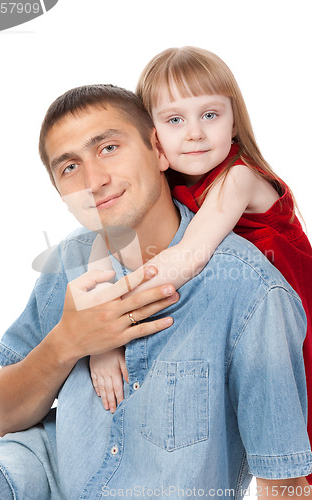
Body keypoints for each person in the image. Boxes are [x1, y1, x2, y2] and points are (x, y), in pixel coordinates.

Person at [0, 84, 312, 500]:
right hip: (43, 473)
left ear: (158, 151)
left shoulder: (249, 291)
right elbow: (3, 416)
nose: (94, 181)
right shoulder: (71, 259)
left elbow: (285, 481)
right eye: (69, 168)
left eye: (108, 148)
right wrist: (68, 342)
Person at [89, 48, 312, 472]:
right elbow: (103, 241)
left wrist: (106, 331)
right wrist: (95, 338)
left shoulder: (238, 176)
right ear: (152, 134)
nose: (194, 133)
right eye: (175, 120)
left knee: (294, 433)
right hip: (232, 324)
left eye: (210, 115)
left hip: (291, 321)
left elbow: (188, 258)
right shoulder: (161, 181)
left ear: (234, 120)